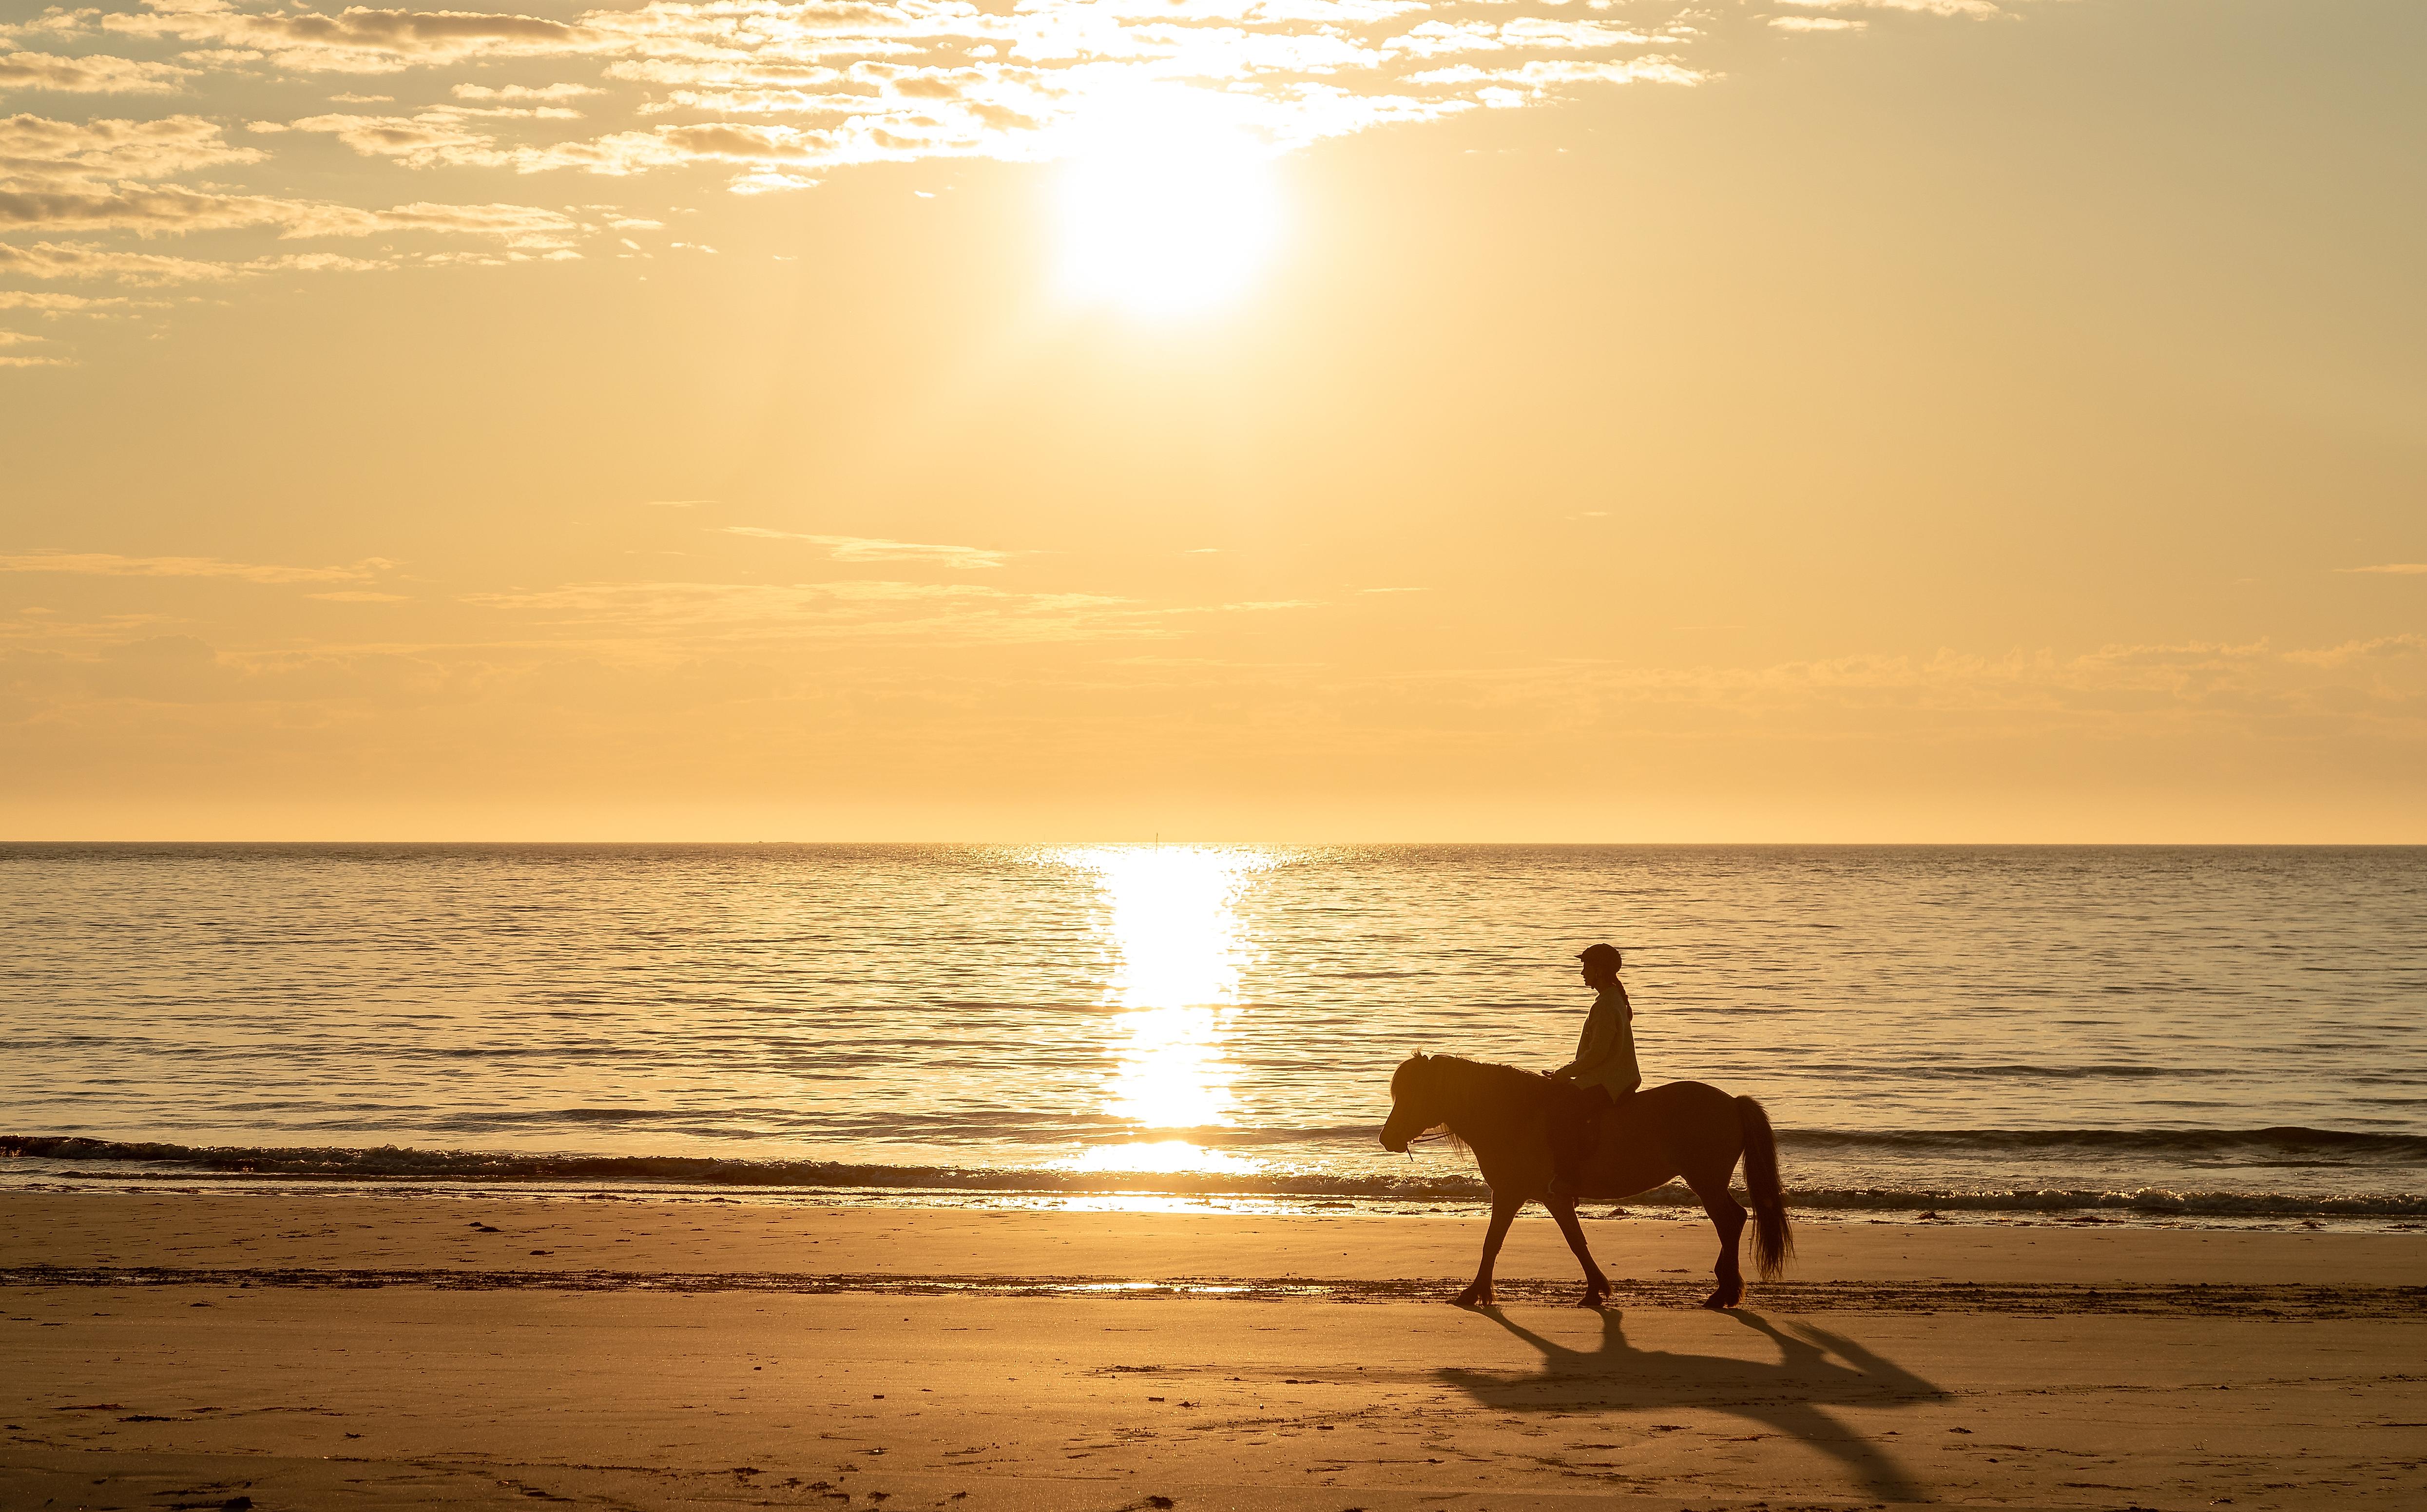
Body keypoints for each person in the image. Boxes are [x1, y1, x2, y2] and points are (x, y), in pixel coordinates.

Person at [1545, 941, 1640, 1199]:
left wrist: (1565, 1073)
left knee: (1560, 1113)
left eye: (1586, 966)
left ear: (1599, 970)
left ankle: (1568, 1179)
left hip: (1608, 1080)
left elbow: (1597, 1054)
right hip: (1608, 1075)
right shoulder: (1612, 999)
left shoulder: (1607, 1004)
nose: (1582, 972)